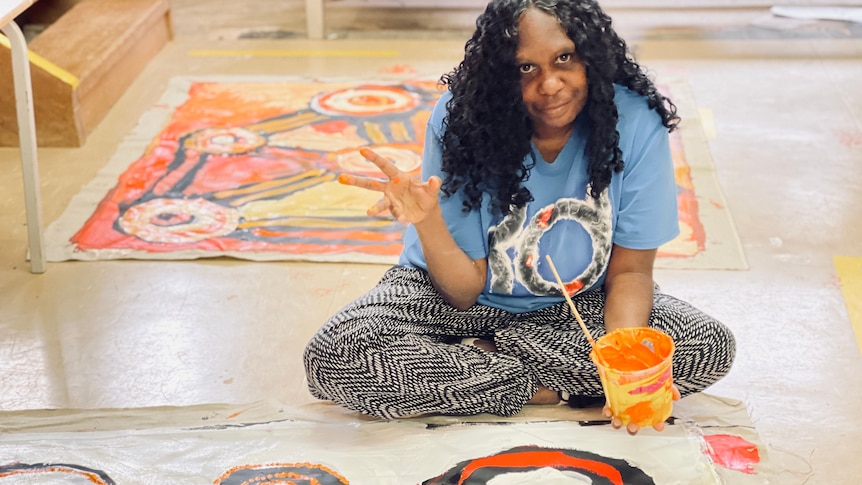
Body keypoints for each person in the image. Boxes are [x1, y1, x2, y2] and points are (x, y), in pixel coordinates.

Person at [303, 0, 736, 434]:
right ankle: (548, 389)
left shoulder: (636, 119)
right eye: (525, 68)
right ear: (500, 76)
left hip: (581, 303)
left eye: (564, 58)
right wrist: (427, 220)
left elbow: (630, 273)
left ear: (593, 54)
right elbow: (462, 291)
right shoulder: (462, 119)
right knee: (336, 354)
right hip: (449, 300)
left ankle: (472, 364)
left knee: (707, 345)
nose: (550, 84)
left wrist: (623, 361)